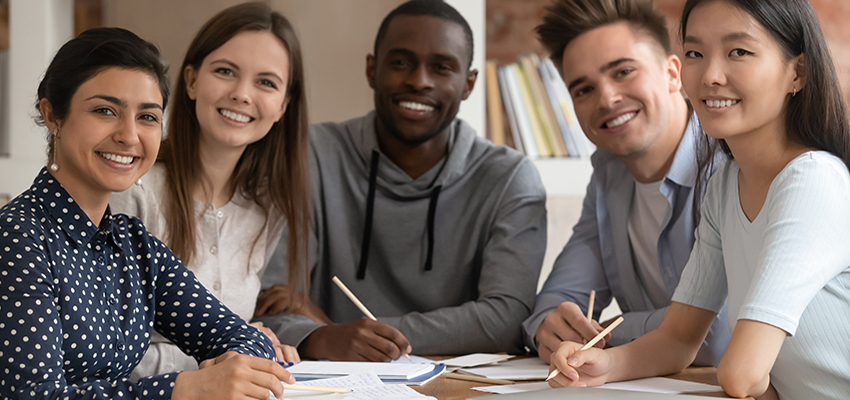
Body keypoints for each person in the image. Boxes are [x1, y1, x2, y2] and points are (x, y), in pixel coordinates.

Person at [548, 0, 850, 399]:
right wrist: (604, 364)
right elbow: (678, 337)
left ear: (798, 72)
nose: (710, 75)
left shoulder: (813, 180)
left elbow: (742, 375)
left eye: (738, 51)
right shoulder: (727, 184)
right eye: (695, 53)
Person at [0, 27, 294, 400]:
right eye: (105, 111)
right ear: (52, 115)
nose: (129, 135)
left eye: (148, 117)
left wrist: (230, 368)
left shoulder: (132, 243)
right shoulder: (17, 238)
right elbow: (31, 396)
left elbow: (243, 337)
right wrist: (179, 388)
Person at [255, 0, 547, 360]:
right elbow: (270, 304)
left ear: (469, 84)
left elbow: (505, 320)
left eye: (441, 67)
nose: (418, 80)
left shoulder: (509, 178)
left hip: (460, 382)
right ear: (371, 70)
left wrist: (333, 330)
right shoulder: (309, 154)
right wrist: (330, 337)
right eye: (400, 62)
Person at [524, 0, 729, 366]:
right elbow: (559, 300)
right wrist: (550, 328)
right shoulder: (608, 175)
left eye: (623, 72)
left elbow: (718, 335)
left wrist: (604, 332)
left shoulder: (728, 166)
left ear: (672, 73)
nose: (607, 98)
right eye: (583, 90)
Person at [111, 2, 308, 378]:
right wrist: (241, 352)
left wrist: (251, 346)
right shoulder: (133, 188)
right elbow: (100, 355)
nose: (242, 94)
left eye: (266, 82)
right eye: (225, 71)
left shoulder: (269, 208)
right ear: (191, 81)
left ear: (283, 106)